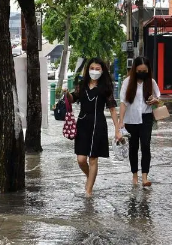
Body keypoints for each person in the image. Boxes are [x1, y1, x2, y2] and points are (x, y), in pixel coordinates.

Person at [65, 57, 121, 197]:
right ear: (87, 69)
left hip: (98, 125)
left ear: (102, 71)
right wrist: (66, 94)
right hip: (83, 124)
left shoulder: (106, 88)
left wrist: (117, 129)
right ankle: (91, 177)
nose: (94, 71)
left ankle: (88, 191)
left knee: (93, 159)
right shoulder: (81, 85)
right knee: (81, 159)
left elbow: (112, 109)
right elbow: (73, 98)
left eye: (97, 69)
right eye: (92, 68)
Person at [118, 56, 161, 187]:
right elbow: (123, 103)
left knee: (146, 146)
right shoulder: (127, 82)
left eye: (144, 70)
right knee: (133, 147)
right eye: (139, 70)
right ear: (134, 69)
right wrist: (121, 122)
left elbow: (158, 96)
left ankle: (145, 176)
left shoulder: (151, 82)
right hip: (131, 119)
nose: (142, 72)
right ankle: (135, 175)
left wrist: (155, 100)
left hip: (146, 117)